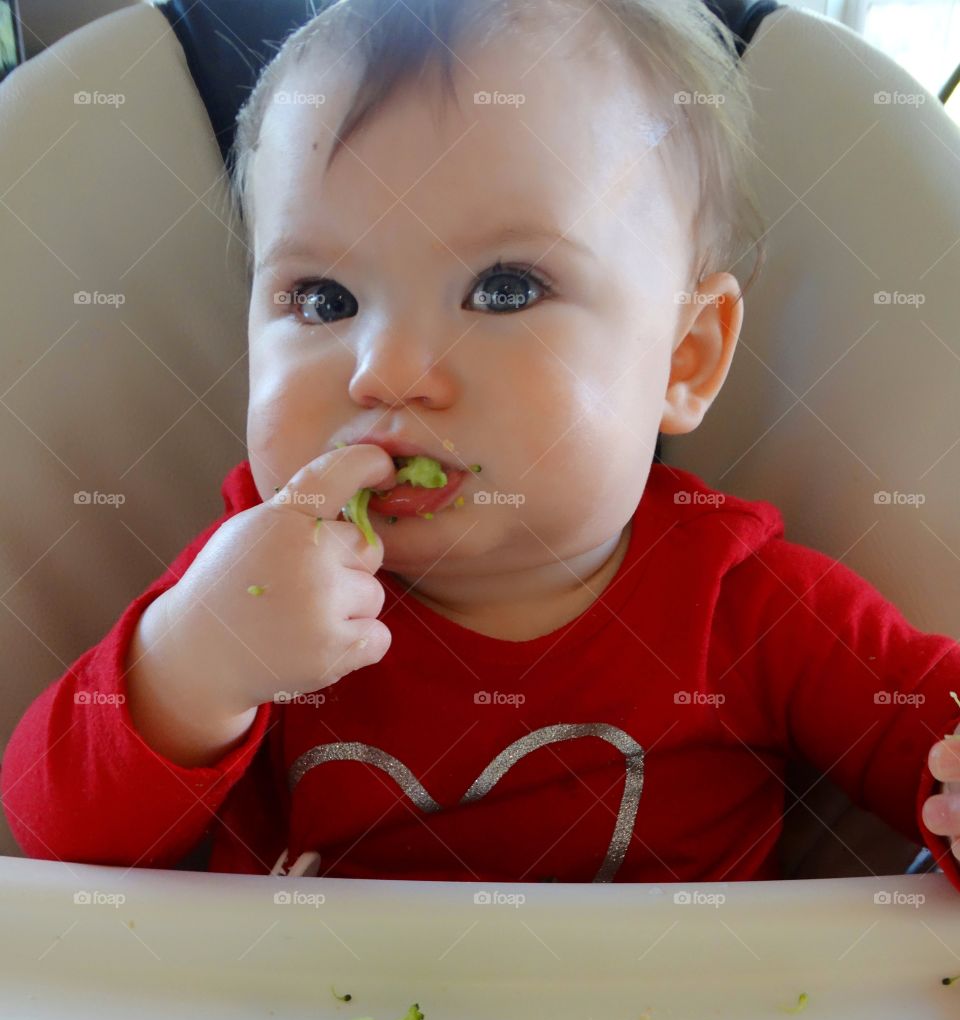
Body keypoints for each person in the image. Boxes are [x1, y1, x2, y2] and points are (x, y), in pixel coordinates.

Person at [3, 0, 960, 885]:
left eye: (504, 289)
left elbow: (934, 748)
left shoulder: (748, 609)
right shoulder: (253, 576)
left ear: (685, 355)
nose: (387, 370)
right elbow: (54, 849)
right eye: (323, 300)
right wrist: (193, 668)